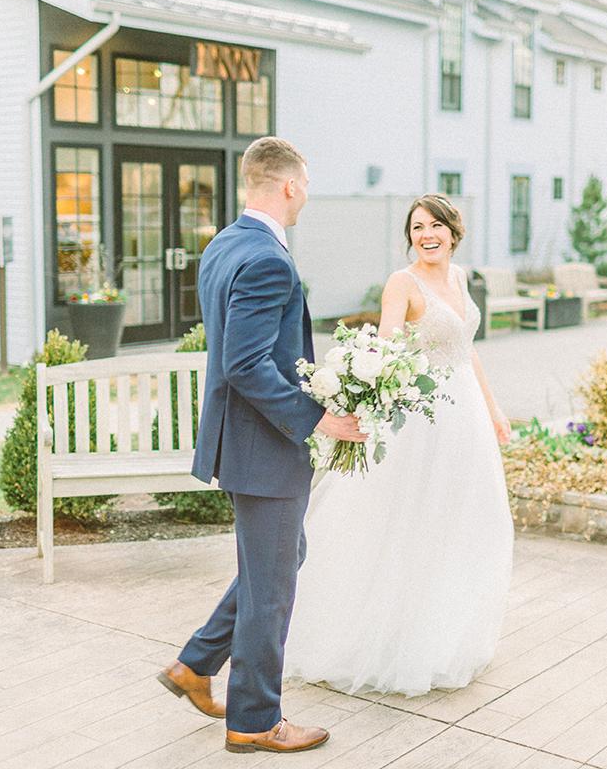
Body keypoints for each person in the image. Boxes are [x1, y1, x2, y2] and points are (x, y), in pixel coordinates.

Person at [156, 136, 366, 755]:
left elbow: (244, 354)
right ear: (291, 185)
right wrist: (318, 418)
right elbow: (246, 364)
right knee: (272, 586)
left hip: (240, 443)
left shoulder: (223, 244)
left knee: (279, 558)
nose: (306, 199)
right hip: (265, 446)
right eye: (307, 188)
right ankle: (253, 719)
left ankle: (196, 665)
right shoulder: (270, 259)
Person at [283, 193, 515, 698]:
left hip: (466, 417)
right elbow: (384, 350)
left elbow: (466, 350)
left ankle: (445, 634)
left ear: (454, 231)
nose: (426, 234)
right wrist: (372, 389)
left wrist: (495, 411)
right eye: (416, 227)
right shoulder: (402, 283)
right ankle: (391, 643)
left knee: (462, 523)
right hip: (421, 419)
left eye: (435, 225)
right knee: (410, 521)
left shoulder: (459, 278)